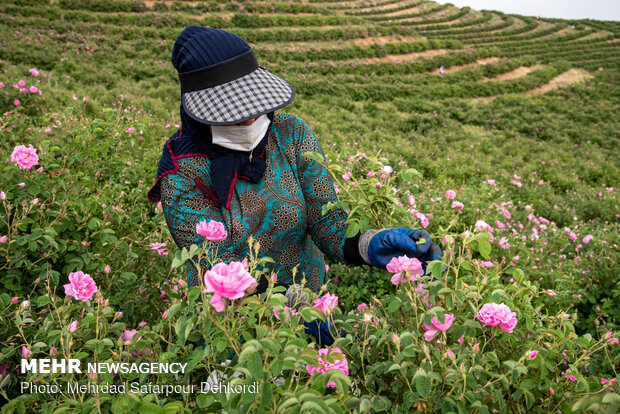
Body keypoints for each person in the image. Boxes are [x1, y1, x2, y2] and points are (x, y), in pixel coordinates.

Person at [148, 26, 441, 339]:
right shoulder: (181, 171)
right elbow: (220, 267)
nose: (250, 120)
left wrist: (370, 245)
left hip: (312, 304)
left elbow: (327, 222)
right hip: (233, 328)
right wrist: (288, 304)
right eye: (234, 112)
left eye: (253, 104)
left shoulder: (290, 134)